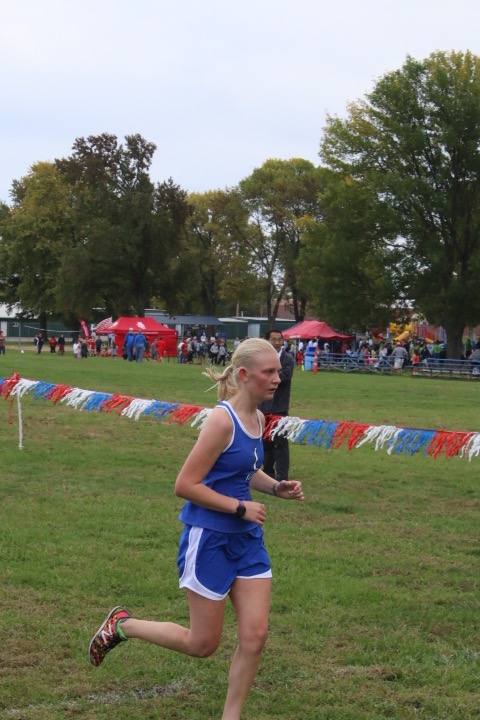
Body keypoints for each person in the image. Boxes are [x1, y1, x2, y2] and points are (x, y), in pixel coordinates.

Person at [88, 338, 304, 720]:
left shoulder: (257, 418)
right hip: (209, 539)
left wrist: (274, 487)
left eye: (278, 371)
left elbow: (242, 468)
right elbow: (185, 485)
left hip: (247, 541)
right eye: (269, 372)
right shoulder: (222, 420)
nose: (277, 378)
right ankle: (123, 625)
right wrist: (239, 508)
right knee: (203, 644)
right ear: (244, 375)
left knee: (255, 637)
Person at [258, 329, 295, 481]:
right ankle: (267, 470)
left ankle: (282, 475)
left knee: (280, 442)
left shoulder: (287, 359)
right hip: (262, 405)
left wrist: (266, 375)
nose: (278, 342)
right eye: (274, 339)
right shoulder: (261, 359)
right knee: (265, 441)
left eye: (280, 339)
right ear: (267, 341)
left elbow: (284, 378)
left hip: (279, 407)